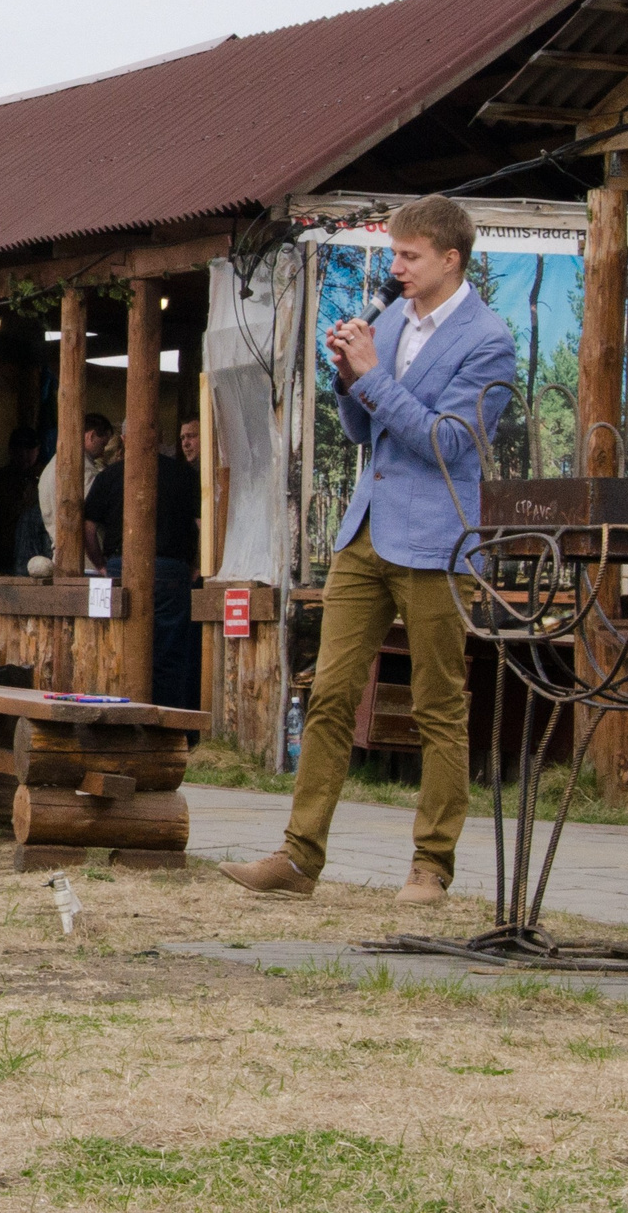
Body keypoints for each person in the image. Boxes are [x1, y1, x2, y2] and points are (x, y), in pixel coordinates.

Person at [222, 194, 514, 907]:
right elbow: (363, 429)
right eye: (394, 253)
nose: (397, 267)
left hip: (438, 540)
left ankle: (431, 866)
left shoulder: (489, 339)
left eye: (410, 255)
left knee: (437, 705)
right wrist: (350, 376)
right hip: (367, 531)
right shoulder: (392, 319)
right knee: (328, 694)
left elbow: (450, 443)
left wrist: (375, 375)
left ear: (451, 258)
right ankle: (298, 856)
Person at [81, 428, 204, 711]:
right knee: (168, 656)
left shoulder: (109, 476)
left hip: (118, 568)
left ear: (124, 437)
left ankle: (119, 721)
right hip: (171, 571)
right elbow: (202, 526)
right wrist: (197, 565)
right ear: (159, 439)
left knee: (117, 648)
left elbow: (87, 529)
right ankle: (167, 730)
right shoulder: (184, 474)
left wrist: (100, 565)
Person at [38, 412, 112, 572]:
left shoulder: (49, 468)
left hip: (59, 554)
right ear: (91, 436)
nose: (102, 452)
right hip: (87, 561)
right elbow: (99, 510)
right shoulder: (84, 470)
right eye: (103, 444)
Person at [0, 429, 42, 573]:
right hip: (4, 550)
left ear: (37, 450)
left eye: (29, 450)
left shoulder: (45, 476)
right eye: (19, 450)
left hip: (38, 551)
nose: (24, 455)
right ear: (11, 451)